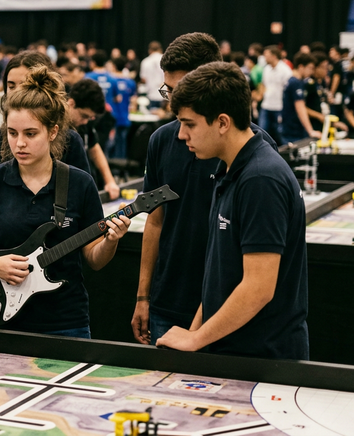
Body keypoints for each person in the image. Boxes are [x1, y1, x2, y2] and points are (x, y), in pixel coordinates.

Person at [0, 65, 130, 338]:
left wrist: (110, 241)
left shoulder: (79, 183)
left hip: (67, 321)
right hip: (4, 321)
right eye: (12, 133)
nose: (19, 143)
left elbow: (94, 259)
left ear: (53, 132)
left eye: (30, 134)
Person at [131, 32, 278, 346]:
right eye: (168, 91)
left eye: (181, 91)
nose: (172, 102)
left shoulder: (257, 163)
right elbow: (155, 221)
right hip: (170, 301)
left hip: (230, 310)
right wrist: (144, 295)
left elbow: (259, 283)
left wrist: (198, 335)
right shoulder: (162, 140)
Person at [156, 62, 308, 360]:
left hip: (264, 358)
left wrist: (197, 338)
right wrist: (193, 333)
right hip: (229, 349)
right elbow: (219, 275)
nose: (181, 135)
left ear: (223, 122)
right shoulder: (228, 170)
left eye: (190, 124)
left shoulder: (261, 178)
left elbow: (259, 287)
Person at [0, 51, 90, 174]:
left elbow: (83, 187)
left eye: (25, 85)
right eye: (11, 86)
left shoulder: (70, 141)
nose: (17, 92)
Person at [69, 79, 120, 199]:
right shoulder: (54, 128)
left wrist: (110, 181)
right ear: (71, 103)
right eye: (84, 116)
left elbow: (94, 148)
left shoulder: (84, 124)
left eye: (90, 117)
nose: (85, 121)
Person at [281, 52, 322, 143]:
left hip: (289, 128)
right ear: (301, 67)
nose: (311, 72)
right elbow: (300, 108)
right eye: (310, 68)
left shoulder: (292, 81)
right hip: (294, 131)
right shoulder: (296, 83)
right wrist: (310, 131)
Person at [258, 45, 292, 145]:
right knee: (261, 132)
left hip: (279, 107)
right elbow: (264, 85)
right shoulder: (266, 69)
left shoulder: (285, 70)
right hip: (266, 106)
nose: (264, 58)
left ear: (274, 56)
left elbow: (288, 90)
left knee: (280, 135)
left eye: (266, 55)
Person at [140, 41, 164, 109]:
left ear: (150, 50)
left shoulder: (145, 62)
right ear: (160, 49)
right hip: (164, 95)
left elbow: (143, 79)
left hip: (151, 94)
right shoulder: (166, 59)